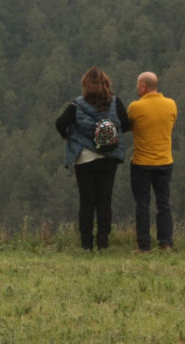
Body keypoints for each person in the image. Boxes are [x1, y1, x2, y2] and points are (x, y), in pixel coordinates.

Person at [55, 66, 129, 250]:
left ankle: (86, 243)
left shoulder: (77, 105)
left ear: (85, 85)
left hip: (84, 159)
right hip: (109, 157)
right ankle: (103, 242)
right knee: (105, 201)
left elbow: (60, 123)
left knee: (86, 201)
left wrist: (70, 136)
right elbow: (126, 125)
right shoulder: (115, 102)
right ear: (106, 83)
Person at [128, 71, 178, 251]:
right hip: (164, 160)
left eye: (137, 84)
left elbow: (129, 126)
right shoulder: (171, 104)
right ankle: (166, 243)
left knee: (143, 204)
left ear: (143, 86)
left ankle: (144, 245)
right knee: (163, 203)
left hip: (142, 162)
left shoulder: (135, 107)